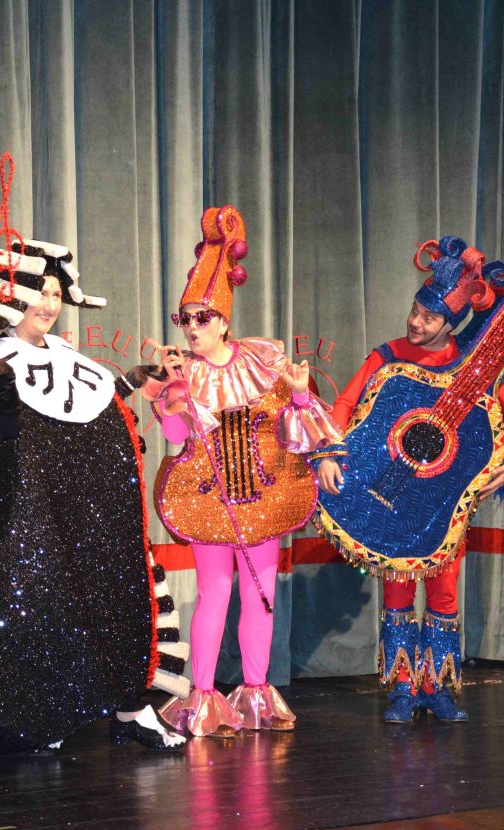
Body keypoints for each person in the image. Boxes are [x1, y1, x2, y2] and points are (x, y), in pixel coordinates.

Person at [0, 234, 189, 755]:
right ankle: (44, 714)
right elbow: (1, 449)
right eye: (39, 292)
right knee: (40, 610)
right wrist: (3, 396)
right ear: (11, 297)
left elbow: (83, 418)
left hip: (84, 520)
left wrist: (130, 383)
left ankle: (130, 710)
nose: (49, 304)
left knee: (112, 598)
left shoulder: (68, 357)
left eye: (57, 294)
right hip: (33, 525)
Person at [313, 235, 504, 724]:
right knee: (397, 592)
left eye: (429, 318)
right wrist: (330, 451)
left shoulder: (474, 364)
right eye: (415, 311)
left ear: (450, 324)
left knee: (444, 593)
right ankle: (401, 688)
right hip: (391, 493)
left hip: (440, 500)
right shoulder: (388, 355)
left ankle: (436, 689)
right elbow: (345, 403)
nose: (416, 322)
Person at [149, 206, 337, 738]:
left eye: (201, 318)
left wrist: (299, 396)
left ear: (224, 321)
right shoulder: (183, 374)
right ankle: (204, 698)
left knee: (260, 597)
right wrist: (171, 393)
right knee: (215, 594)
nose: (192, 328)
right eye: (185, 319)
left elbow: (297, 433)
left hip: (265, 493)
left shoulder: (264, 363)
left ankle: (256, 693)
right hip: (208, 498)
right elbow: (177, 439)